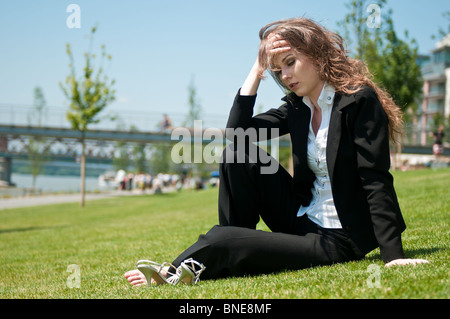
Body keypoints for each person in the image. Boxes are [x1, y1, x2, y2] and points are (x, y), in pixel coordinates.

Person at [125, 17, 428, 287]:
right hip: (300, 217)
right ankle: (235, 245)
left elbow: (375, 177)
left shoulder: (358, 102)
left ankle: (173, 271)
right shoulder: (297, 107)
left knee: (223, 237)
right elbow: (237, 134)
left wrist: (393, 255)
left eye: (290, 62)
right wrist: (257, 69)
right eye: (278, 69)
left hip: (338, 237)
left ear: (317, 55)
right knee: (236, 155)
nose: (284, 75)